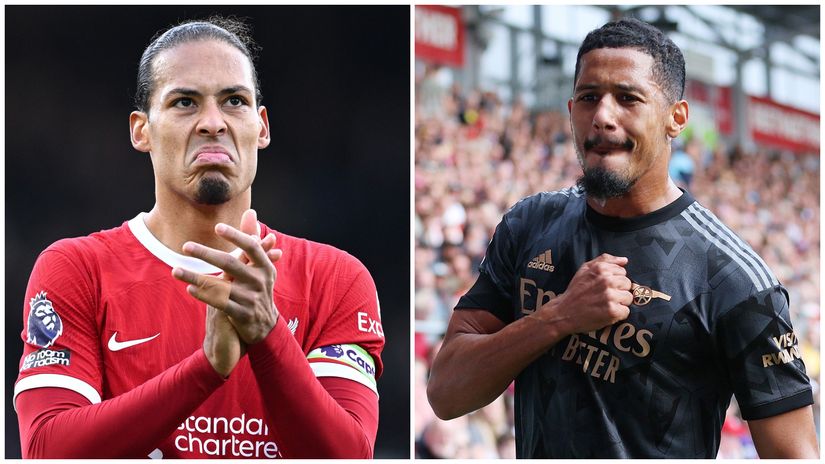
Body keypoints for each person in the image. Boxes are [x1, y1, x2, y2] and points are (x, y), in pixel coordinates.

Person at [426, 18, 816, 459]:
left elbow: (794, 455)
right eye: (590, 98)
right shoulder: (529, 223)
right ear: (571, 109)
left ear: (676, 118)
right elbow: (446, 393)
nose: (603, 116)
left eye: (628, 99)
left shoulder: (735, 281)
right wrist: (558, 318)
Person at [14, 17, 384, 459]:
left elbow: (349, 456)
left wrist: (268, 335)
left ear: (261, 127)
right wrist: (206, 370)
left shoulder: (336, 279)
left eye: (234, 101)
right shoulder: (77, 268)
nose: (213, 122)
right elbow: (47, 451)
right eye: (185, 102)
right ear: (141, 130)